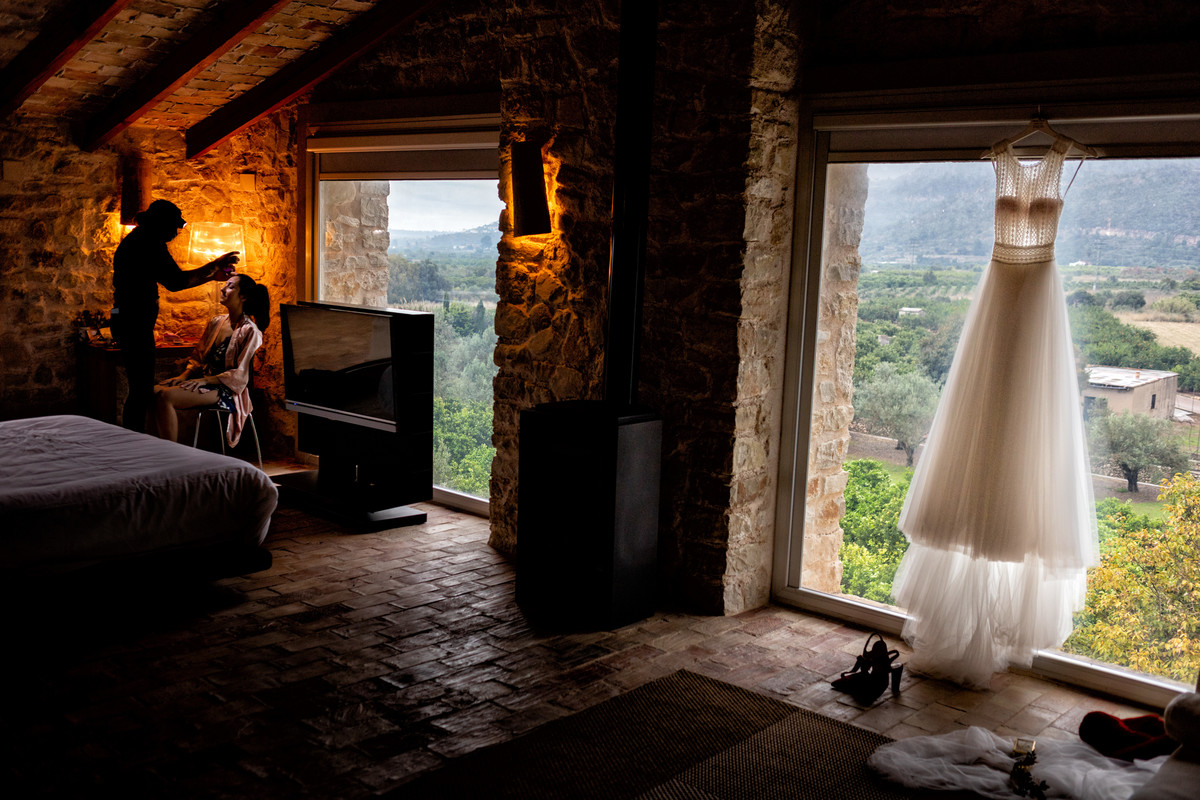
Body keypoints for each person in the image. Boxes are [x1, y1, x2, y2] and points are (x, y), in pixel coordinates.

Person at [112, 199, 239, 432]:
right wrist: (214, 266)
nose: (176, 233)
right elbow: (176, 282)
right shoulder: (149, 243)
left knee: (139, 388)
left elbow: (175, 281)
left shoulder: (140, 239)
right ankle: (134, 440)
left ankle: (134, 438)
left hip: (129, 320)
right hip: (134, 323)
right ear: (161, 224)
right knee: (141, 389)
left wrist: (211, 275)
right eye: (174, 227)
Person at [151, 273, 270, 447]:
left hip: (226, 389)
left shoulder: (250, 331)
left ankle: (169, 455)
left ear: (243, 297)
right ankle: (153, 450)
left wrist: (204, 381)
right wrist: (183, 376)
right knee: (152, 392)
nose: (223, 289)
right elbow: (198, 357)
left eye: (230, 286)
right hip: (204, 381)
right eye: (225, 285)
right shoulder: (216, 322)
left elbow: (239, 375)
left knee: (165, 396)